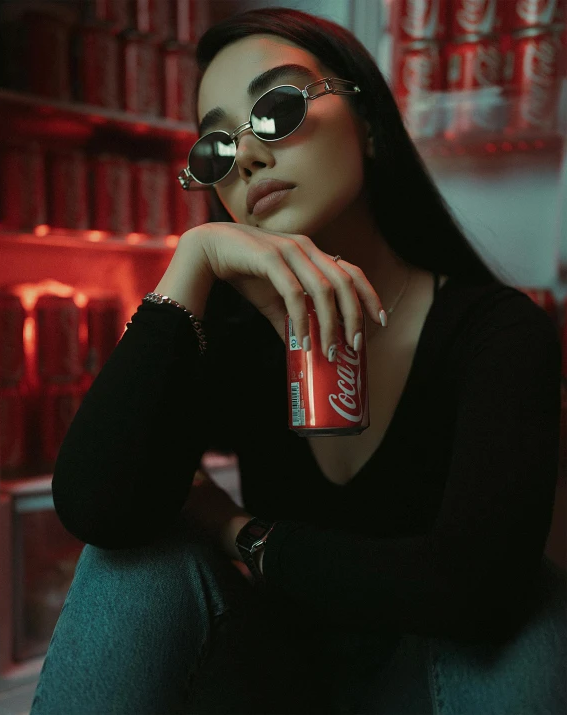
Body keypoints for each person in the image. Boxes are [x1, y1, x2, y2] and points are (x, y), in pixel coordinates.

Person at [31, 7, 565, 715]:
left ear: (369, 123)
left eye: (279, 108)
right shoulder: (230, 334)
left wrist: (241, 532)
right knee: (137, 561)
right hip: (272, 681)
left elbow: (475, 589)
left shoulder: (496, 332)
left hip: (432, 677)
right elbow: (97, 507)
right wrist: (194, 259)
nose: (245, 157)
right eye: (216, 149)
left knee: (536, 603)